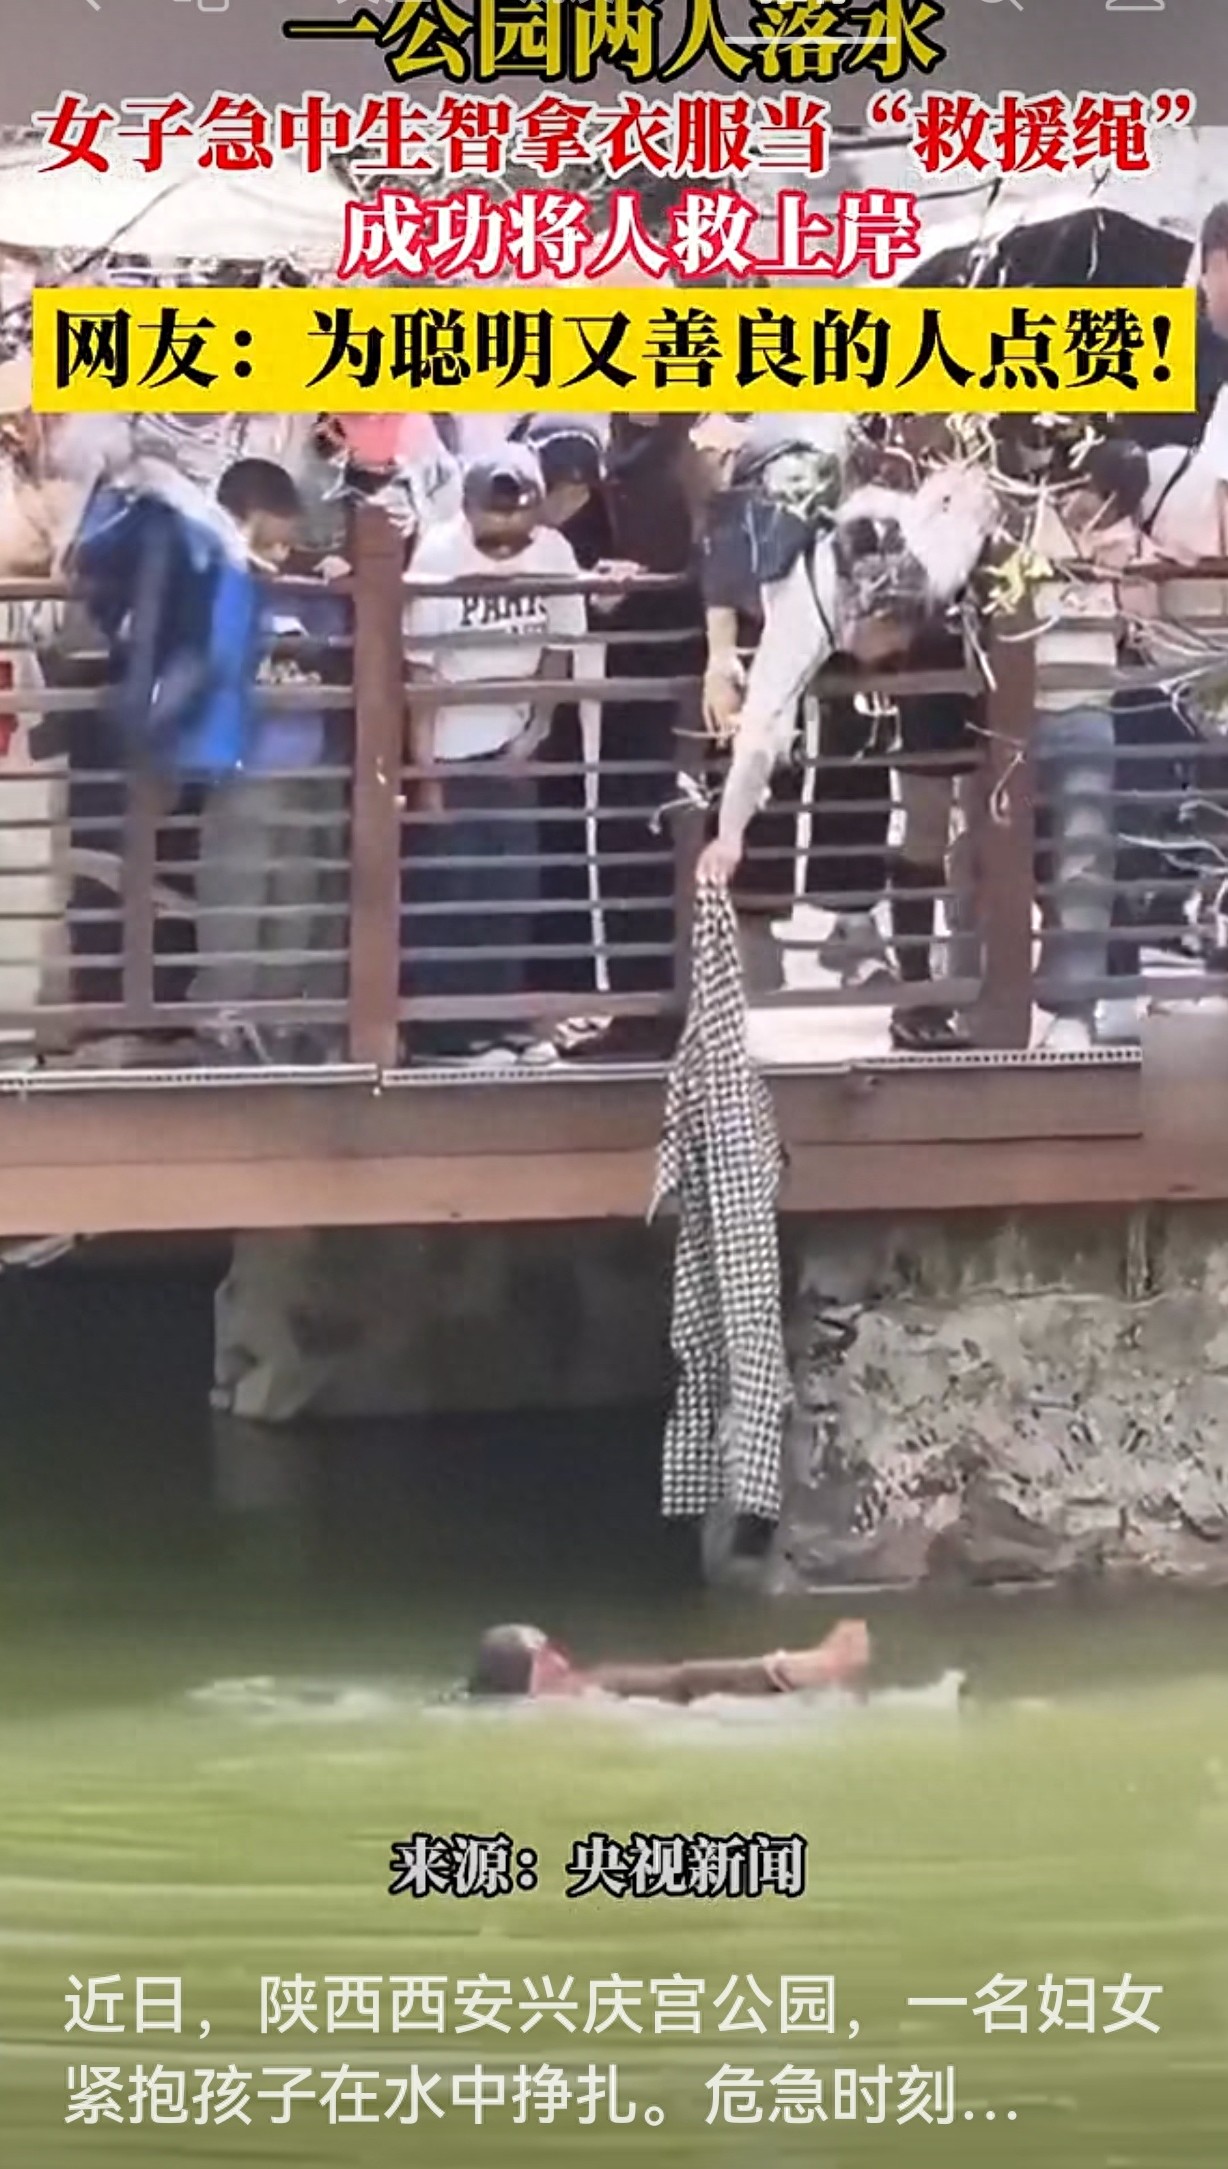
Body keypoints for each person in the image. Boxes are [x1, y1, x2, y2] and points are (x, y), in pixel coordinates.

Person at [400, 446, 587, 1067]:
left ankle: (497, 1020)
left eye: (517, 526)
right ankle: (444, 1037)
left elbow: (560, 646)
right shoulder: (439, 556)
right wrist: (427, 775)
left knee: (511, 891)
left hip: (514, 744)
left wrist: (538, 730)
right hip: (450, 748)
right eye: (493, 528)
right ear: (468, 508)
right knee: (454, 892)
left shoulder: (554, 553)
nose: (505, 541)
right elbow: (421, 673)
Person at [187, 458, 327, 1063]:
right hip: (240, 768)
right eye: (268, 541)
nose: (280, 553)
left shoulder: (311, 588)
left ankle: (279, 1016)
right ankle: (223, 1015)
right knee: (234, 892)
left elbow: (339, 651)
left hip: (307, 766)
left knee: (296, 894)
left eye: (287, 541)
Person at [1030, 441, 1154, 1053]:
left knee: (1083, 859)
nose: (1098, 510)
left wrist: (1129, 570)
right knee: (989, 856)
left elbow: (1142, 626)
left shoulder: (1127, 541)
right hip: (1015, 711)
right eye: (1097, 494)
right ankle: (976, 997)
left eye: (1114, 504)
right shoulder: (1026, 522)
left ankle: (1072, 1010)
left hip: (1088, 709)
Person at [468, 1617, 870, 1703]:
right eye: (543, 1659)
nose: (559, 1661)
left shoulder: (590, 1686)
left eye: (554, 1651)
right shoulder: (579, 1694)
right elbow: (683, 1682)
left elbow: (680, 1681)